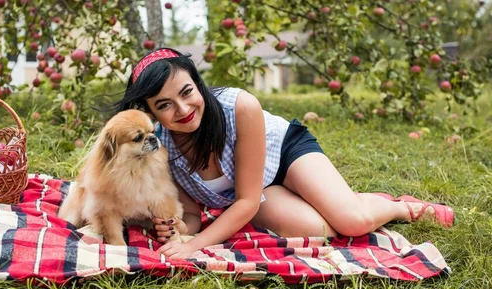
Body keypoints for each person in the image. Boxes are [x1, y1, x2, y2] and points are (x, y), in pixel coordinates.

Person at [114, 48, 454, 259]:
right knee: (317, 229)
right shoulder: (163, 151)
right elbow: (191, 216)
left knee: (353, 221)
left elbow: (244, 204)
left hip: (285, 154)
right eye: (165, 105)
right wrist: (175, 229)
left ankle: (401, 206)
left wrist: (194, 246)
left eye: (187, 92)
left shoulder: (239, 106)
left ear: (198, 83)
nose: (183, 109)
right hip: (256, 192)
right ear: (152, 113)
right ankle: (336, 200)